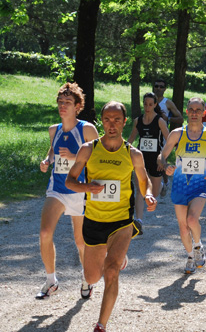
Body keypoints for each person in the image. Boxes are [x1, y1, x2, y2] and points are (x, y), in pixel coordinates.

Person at [65, 101, 157, 332]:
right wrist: (87, 188)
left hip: (121, 223)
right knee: (93, 276)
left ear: (125, 122)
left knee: (112, 270)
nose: (112, 124)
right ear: (102, 121)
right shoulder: (89, 149)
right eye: (107, 119)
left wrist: (148, 196)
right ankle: (115, 257)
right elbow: (70, 181)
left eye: (117, 119)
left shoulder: (132, 154)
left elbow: (144, 182)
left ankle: (101, 325)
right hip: (94, 221)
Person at [36, 82, 99, 300]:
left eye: (68, 103)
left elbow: (99, 158)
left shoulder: (87, 129)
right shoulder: (53, 129)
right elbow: (53, 151)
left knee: (80, 241)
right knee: (45, 233)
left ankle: (86, 278)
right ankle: (51, 280)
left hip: (80, 190)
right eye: (60, 102)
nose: (63, 106)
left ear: (78, 106)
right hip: (58, 188)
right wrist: (47, 160)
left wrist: (75, 157)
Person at [158, 97, 206, 274]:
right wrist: (166, 166)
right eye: (191, 110)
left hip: (200, 184)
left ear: (203, 113)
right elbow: (161, 156)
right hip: (180, 183)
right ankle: (189, 257)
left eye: (197, 110)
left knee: (192, 220)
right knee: (182, 226)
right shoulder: (177, 133)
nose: (194, 113)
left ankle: (198, 246)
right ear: (186, 112)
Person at [127, 92, 169, 234]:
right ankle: (138, 221)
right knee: (140, 191)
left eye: (150, 104)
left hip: (156, 160)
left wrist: (162, 158)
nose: (147, 107)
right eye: (145, 104)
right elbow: (131, 139)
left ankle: (162, 185)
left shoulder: (159, 121)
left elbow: (169, 141)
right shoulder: (138, 121)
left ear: (155, 105)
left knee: (154, 193)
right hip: (141, 159)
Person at [152, 79, 183, 196]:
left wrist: (168, 119)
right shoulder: (150, 100)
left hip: (163, 135)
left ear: (165, 89)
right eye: (156, 86)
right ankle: (157, 184)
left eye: (161, 86)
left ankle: (165, 182)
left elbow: (180, 118)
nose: (158, 88)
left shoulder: (167, 103)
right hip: (150, 136)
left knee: (160, 158)